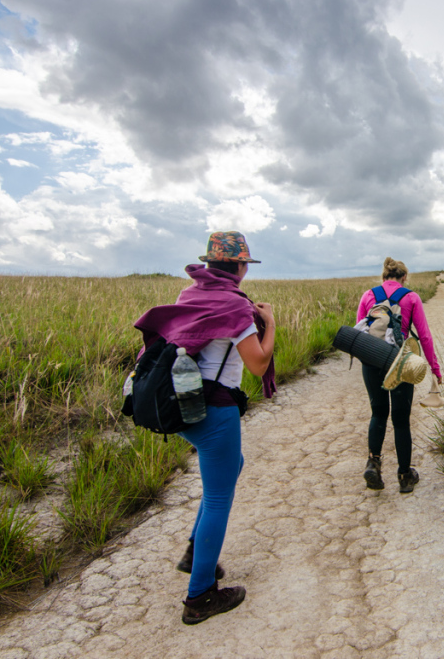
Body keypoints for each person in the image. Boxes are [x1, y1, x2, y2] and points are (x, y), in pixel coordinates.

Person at [133, 231, 276, 625]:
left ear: (210, 265)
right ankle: (200, 596)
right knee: (218, 497)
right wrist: (271, 323)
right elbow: (258, 364)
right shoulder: (236, 309)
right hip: (214, 412)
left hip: (182, 407)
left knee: (232, 468)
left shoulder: (188, 296)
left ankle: (196, 554)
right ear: (240, 268)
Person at [356, 257, 442, 493]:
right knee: (401, 420)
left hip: (372, 360)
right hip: (400, 361)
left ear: (384, 277)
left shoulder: (368, 295)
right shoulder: (411, 297)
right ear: (404, 277)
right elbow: (424, 336)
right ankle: (405, 476)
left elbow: (361, 331)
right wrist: (434, 368)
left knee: (378, 413)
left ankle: (373, 463)